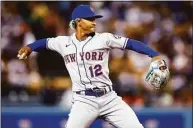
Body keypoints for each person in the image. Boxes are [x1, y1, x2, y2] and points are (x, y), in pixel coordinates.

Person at [18, 4, 169, 128]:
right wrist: (29, 47)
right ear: (78, 22)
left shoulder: (104, 39)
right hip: (83, 101)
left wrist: (153, 54)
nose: (94, 22)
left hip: (109, 98)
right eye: (90, 19)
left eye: (94, 19)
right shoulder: (63, 42)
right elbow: (44, 42)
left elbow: (130, 43)